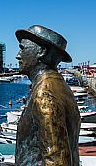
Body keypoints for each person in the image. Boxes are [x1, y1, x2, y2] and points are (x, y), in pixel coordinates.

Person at [15, 25, 80, 166]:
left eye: (22, 48)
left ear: (41, 52)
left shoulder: (45, 93)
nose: (18, 55)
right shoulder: (60, 85)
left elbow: (56, 159)